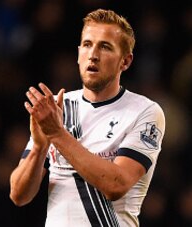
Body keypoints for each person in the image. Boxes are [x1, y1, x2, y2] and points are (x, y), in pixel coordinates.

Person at [9, 8, 165, 227]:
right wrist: (39, 147)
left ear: (125, 61)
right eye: (88, 44)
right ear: (78, 53)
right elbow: (19, 195)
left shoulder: (144, 111)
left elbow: (115, 185)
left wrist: (57, 134)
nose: (93, 54)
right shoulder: (57, 108)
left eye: (105, 47)